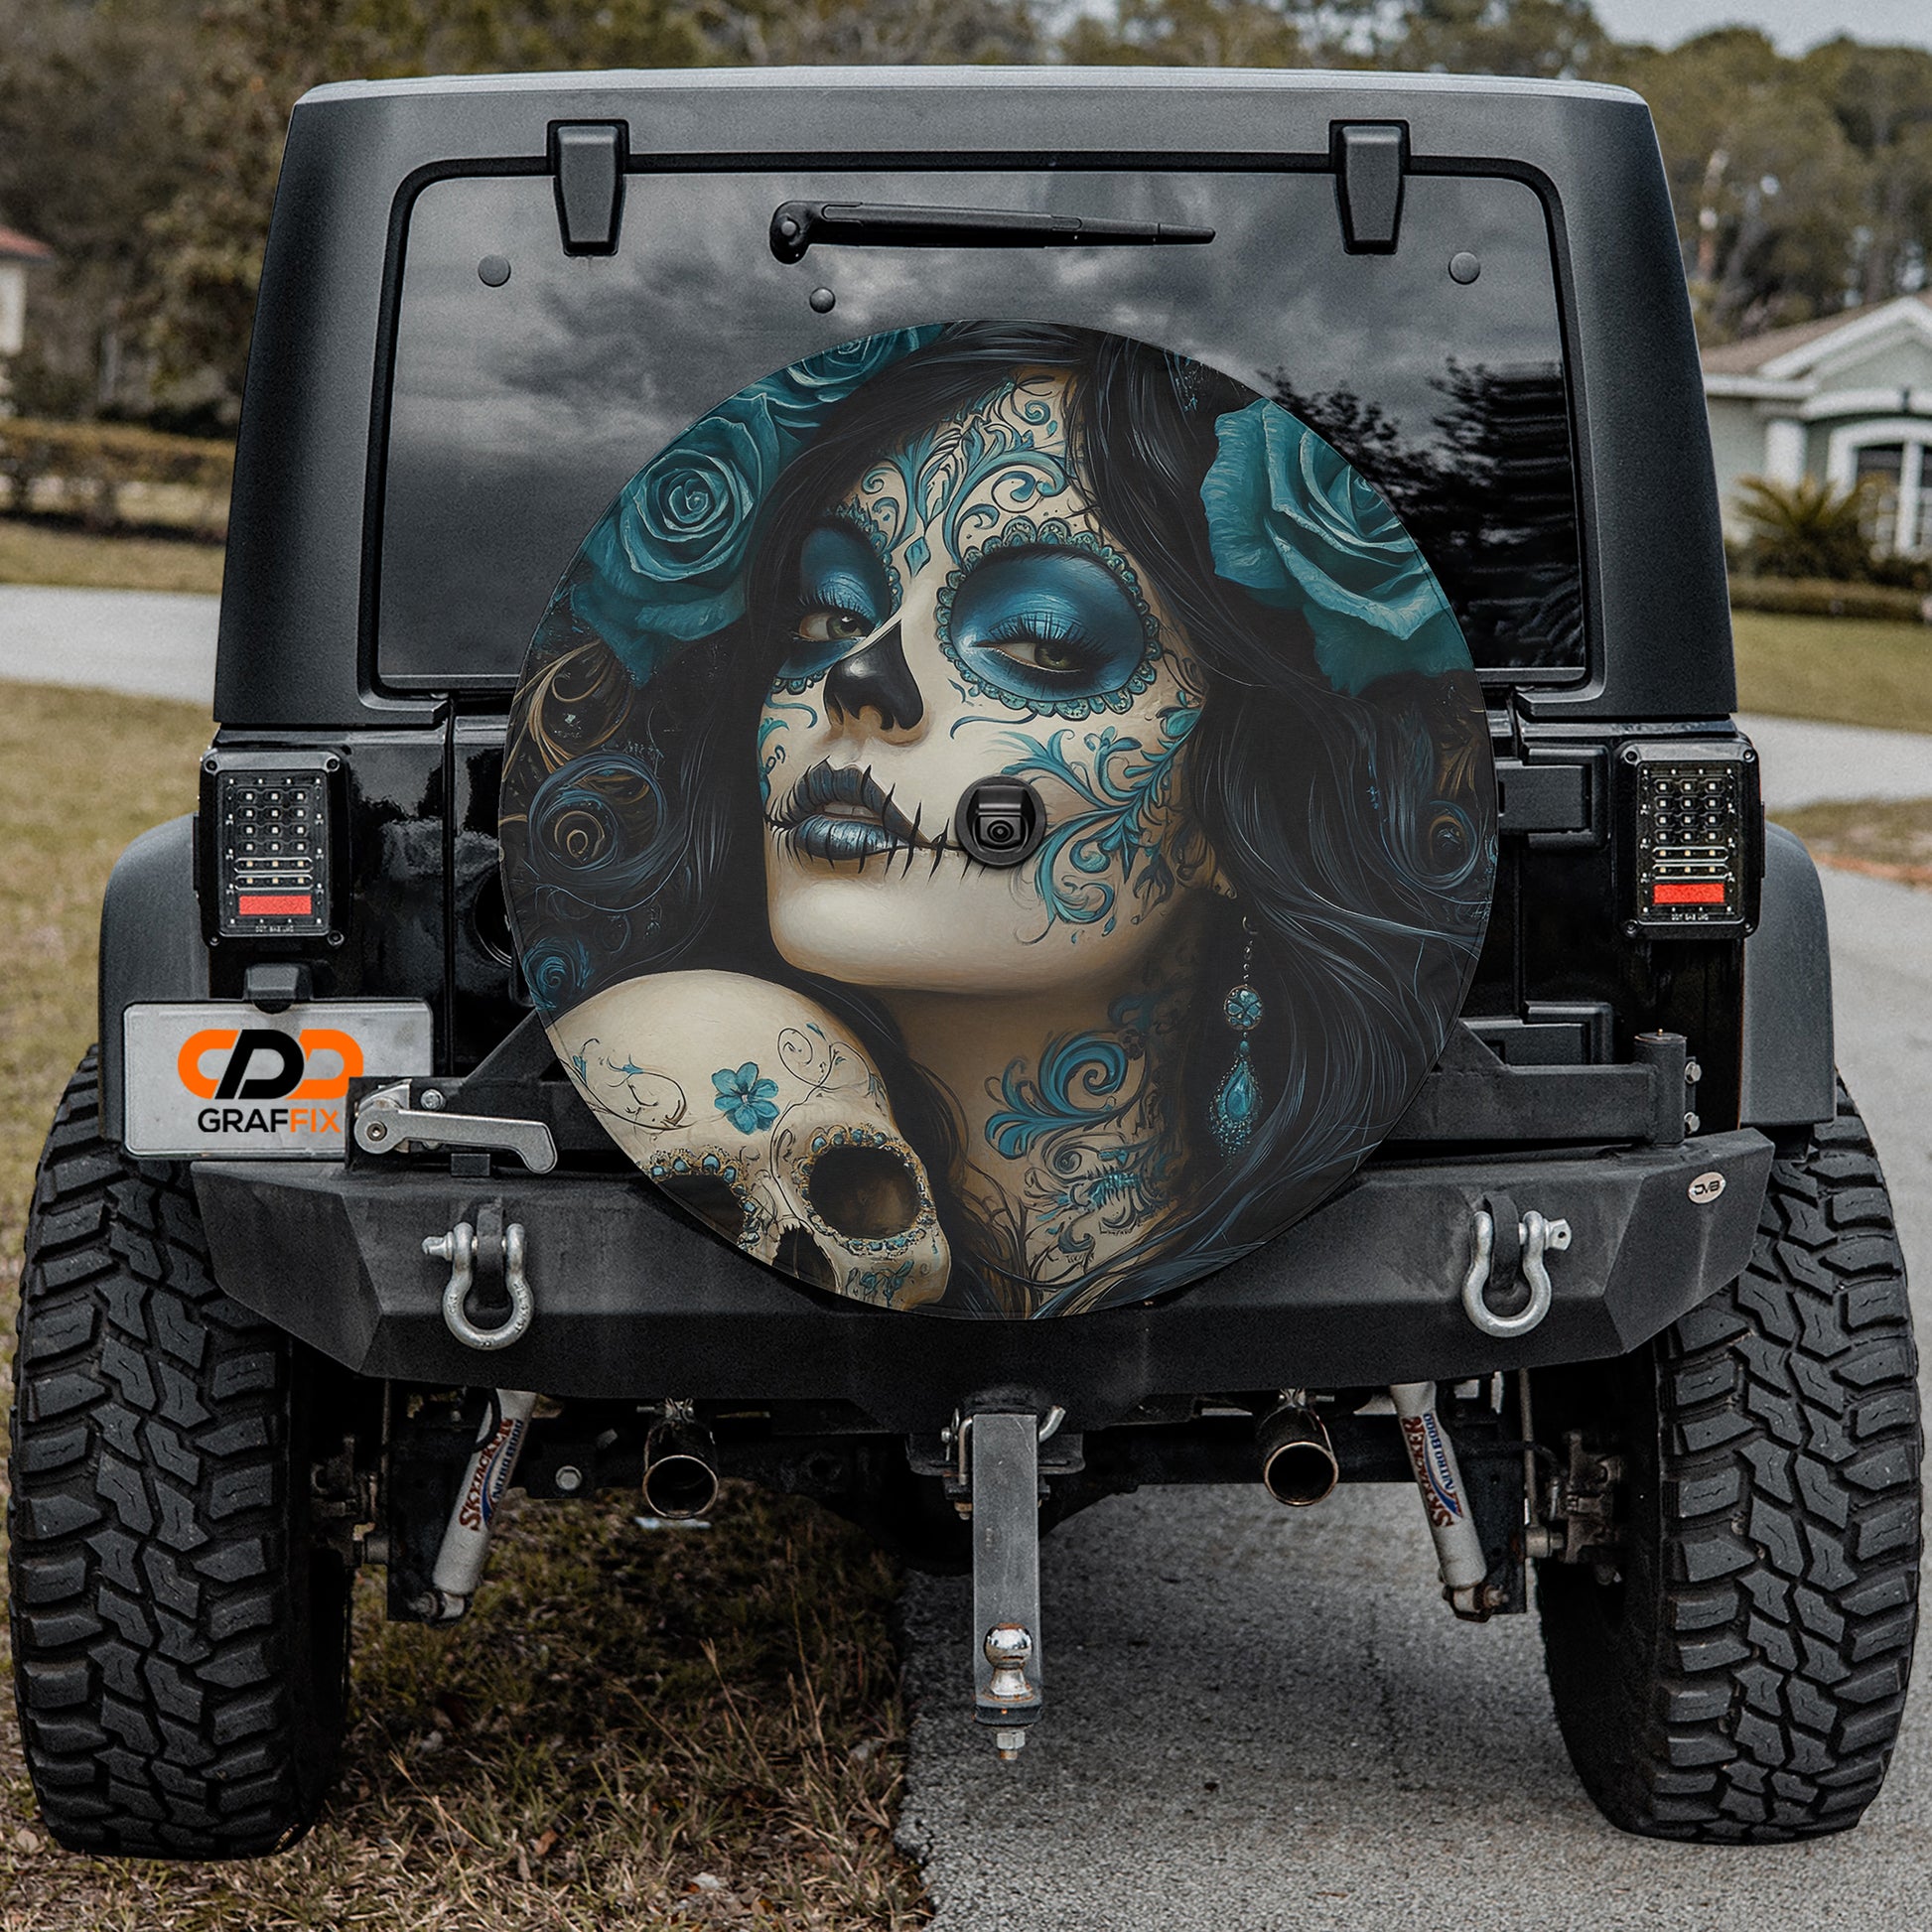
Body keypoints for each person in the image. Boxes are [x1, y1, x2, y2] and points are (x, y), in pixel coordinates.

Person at [501, 323, 1493, 1317]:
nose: (858, 678)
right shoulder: (682, 1070)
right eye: (828, 614)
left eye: (1037, 642)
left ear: (1237, 812)